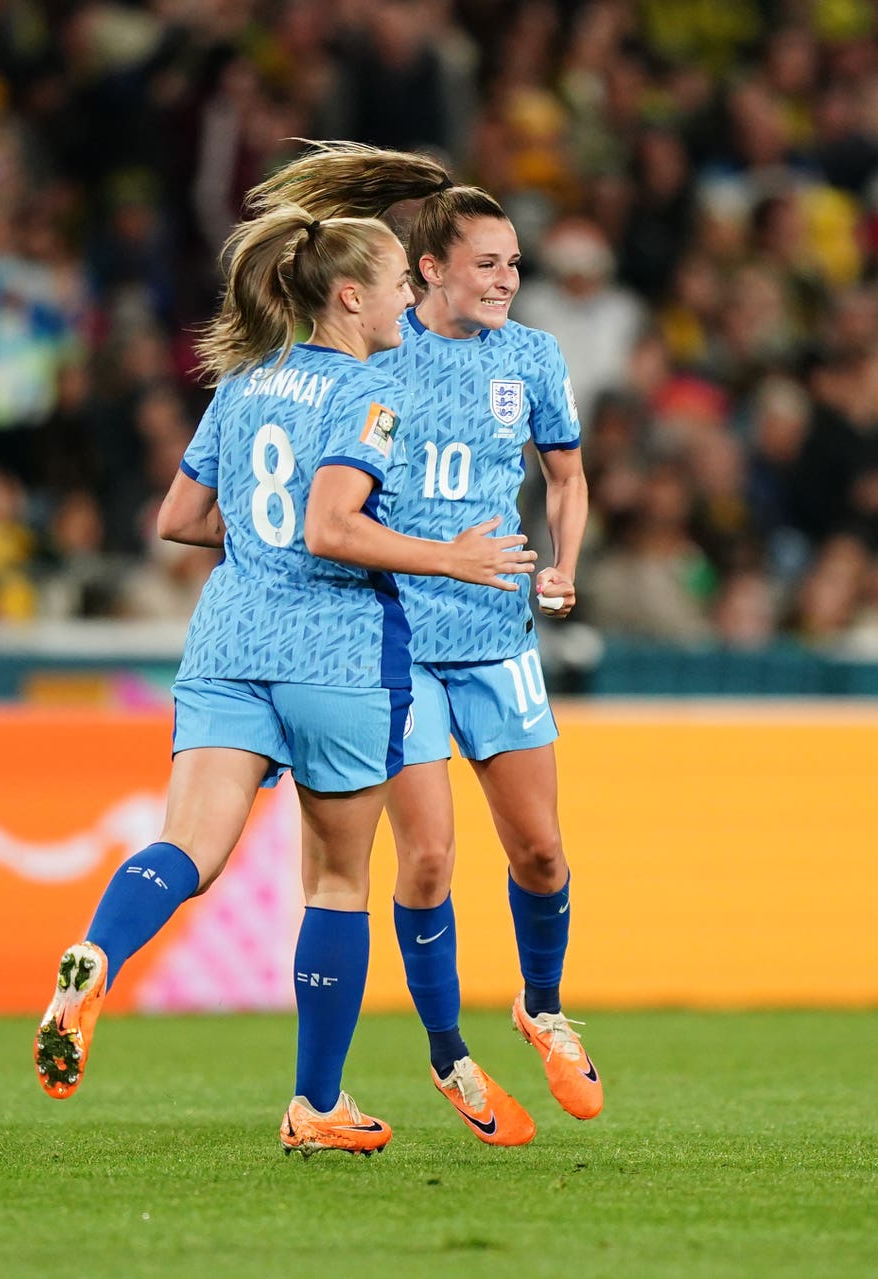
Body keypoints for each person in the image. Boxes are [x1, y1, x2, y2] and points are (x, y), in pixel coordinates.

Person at [33, 201, 537, 1157]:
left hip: (227, 643)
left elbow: (179, 518)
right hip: (336, 656)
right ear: (351, 296)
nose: (410, 297)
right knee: (340, 881)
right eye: (398, 283)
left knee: (187, 847)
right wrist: (451, 557)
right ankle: (315, 1104)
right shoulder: (372, 394)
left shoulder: (244, 380)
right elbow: (331, 528)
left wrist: (260, 538)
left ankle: (97, 952)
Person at [250, 143, 601, 1142]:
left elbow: (567, 478)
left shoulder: (532, 358)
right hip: (395, 636)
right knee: (432, 860)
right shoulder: (379, 356)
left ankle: (541, 1005)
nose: (505, 281)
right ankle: (450, 1053)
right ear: (430, 267)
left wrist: (562, 562)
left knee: (538, 849)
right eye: (486, 263)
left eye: (515, 264)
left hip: (498, 632)